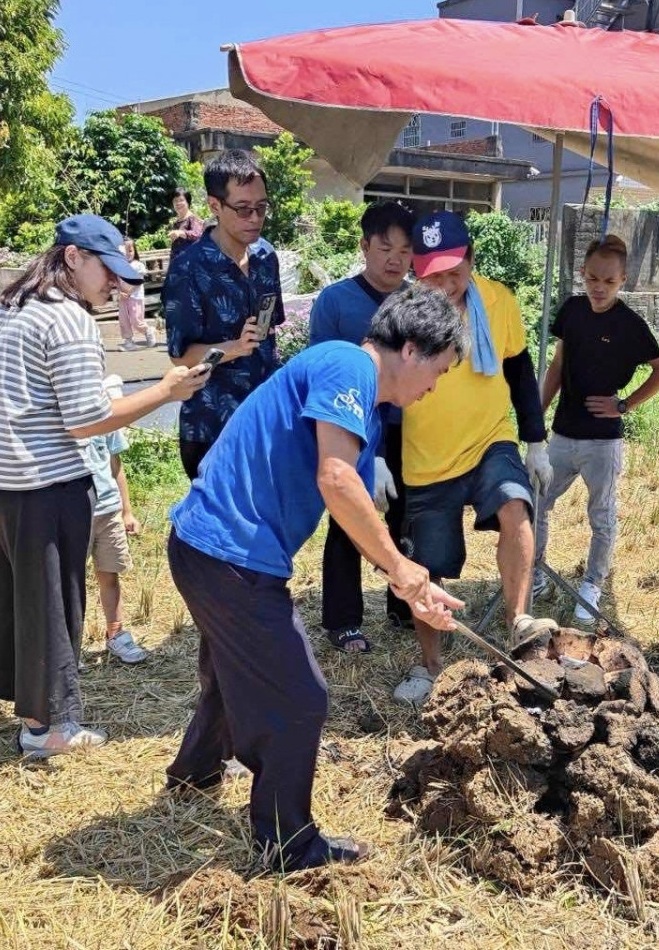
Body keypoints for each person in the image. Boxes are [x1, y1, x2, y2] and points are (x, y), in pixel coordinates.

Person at [165, 286, 465, 871]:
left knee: (235, 672)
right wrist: (402, 569)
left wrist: (413, 586)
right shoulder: (348, 363)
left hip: (208, 547)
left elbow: (347, 504)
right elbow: (336, 479)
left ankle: (194, 773)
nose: (435, 387)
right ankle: (289, 843)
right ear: (410, 349)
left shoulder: (361, 398)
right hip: (229, 554)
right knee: (300, 698)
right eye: (439, 371)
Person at [0, 215, 207, 757]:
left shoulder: (11, 307)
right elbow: (87, 418)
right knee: (50, 601)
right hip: (42, 484)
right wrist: (166, 391)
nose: (114, 284)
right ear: (72, 258)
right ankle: (47, 729)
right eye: (106, 271)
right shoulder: (69, 320)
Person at [394, 210, 552, 705]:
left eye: (453, 268)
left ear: (470, 258)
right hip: (427, 456)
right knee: (428, 564)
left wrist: (536, 439)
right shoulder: (403, 313)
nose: (445, 280)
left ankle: (519, 626)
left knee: (515, 506)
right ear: (416, 271)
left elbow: (521, 373)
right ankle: (429, 664)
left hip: (490, 437)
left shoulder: (498, 300)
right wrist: (376, 457)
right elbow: (382, 388)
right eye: (432, 272)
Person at [533, 234, 659, 622]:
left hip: (603, 441)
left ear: (623, 281)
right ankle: (535, 572)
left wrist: (624, 404)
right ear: (582, 273)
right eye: (593, 278)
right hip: (562, 433)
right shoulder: (573, 310)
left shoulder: (631, 323)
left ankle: (592, 584)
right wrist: (536, 417)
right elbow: (558, 366)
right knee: (536, 503)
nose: (599, 287)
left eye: (609, 282)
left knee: (602, 515)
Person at [309, 201, 416, 652]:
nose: (395, 259)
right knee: (349, 517)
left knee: (407, 514)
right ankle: (343, 618)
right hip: (352, 430)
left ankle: (403, 604)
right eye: (385, 248)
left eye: (405, 251)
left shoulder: (417, 300)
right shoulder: (335, 301)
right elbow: (322, 369)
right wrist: (364, 451)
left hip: (408, 429)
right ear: (364, 247)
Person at [163, 150, 283, 482]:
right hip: (212, 427)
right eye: (244, 209)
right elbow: (181, 358)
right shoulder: (188, 269)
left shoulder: (265, 256)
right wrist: (233, 347)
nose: (255, 218)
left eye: (262, 208)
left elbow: (271, 330)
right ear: (215, 206)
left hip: (265, 418)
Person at [85, 375, 147, 664]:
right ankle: (67, 646)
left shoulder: (105, 412)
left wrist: (127, 510)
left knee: (110, 574)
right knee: (69, 582)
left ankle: (116, 633)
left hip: (108, 508)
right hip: (74, 511)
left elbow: (115, 465)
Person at [117, 239, 157, 351]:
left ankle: (148, 331)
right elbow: (117, 282)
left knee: (136, 320)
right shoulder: (118, 265)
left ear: (135, 251)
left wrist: (128, 292)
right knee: (124, 320)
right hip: (122, 297)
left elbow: (139, 282)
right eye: (124, 251)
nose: (128, 253)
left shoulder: (138, 265)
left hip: (135, 297)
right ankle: (128, 342)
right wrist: (120, 292)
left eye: (130, 250)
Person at [168, 187, 204, 262]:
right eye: (175, 201)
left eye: (181, 200)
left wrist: (181, 233)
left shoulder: (193, 218)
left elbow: (198, 235)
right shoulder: (177, 222)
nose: (178, 203)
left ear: (188, 202)